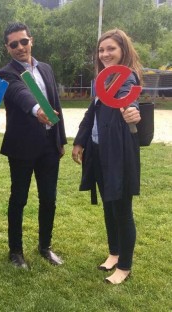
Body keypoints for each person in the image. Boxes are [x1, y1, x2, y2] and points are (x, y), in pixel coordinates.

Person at [72, 29, 142, 284]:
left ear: (123, 50)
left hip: (119, 153)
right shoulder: (104, 80)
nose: (105, 54)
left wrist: (132, 111)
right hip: (99, 152)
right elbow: (92, 114)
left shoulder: (126, 77)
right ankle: (114, 253)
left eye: (111, 48)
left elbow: (129, 98)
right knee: (109, 206)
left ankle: (124, 266)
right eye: (101, 50)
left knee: (122, 210)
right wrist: (80, 142)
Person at [0, 22, 67, 269]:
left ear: (31, 41)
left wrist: (60, 139)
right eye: (14, 44)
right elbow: (19, 93)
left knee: (49, 198)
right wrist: (38, 110)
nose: (20, 47)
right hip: (22, 147)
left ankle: (45, 246)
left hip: (49, 145)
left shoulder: (46, 69)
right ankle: (15, 251)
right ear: (8, 48)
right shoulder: (6, 73)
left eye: (23, 42)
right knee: (19, 199)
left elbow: (55, 101)